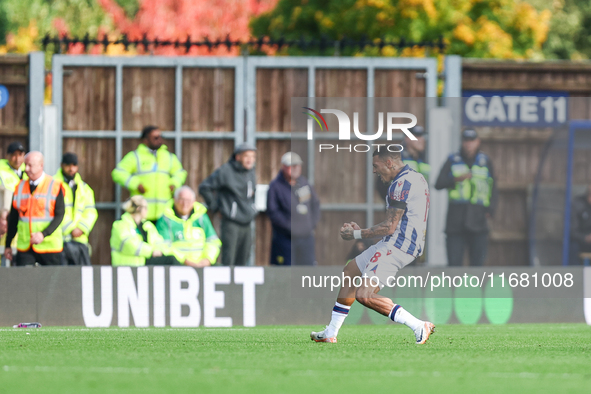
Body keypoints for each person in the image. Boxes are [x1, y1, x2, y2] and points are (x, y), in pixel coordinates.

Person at [310, 149, 434, 344]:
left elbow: (389, 226)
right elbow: (399, 223)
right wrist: (363, 231)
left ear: (389, 163)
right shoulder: (416, 177)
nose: (375, 171)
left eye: (376, 166)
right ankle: (331, 332)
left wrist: (356, 234)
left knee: (364, 295)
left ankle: (418, 325)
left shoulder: (400, 185)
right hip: (398, 242)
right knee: (350, 271)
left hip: (399, 245)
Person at [434, 129, 497, 267]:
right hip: (456, 222)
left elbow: (493, 188)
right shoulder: (452, 160)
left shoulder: (485, 162)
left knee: (478, 266)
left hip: (479, 221)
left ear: (477, 142)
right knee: (454, 266)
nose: (469, 144)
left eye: (472, 141)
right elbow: (438, 183)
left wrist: (490, 211)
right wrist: (456, 179)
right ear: (462, 142)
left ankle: (474, 289)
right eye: (466, 141)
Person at [112, 125, 187, 222]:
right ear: (145, 140)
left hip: (164, 213)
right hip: (141, 213)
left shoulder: (169, 157)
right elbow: (117, 173)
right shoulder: (135, 156)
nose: (160, 140)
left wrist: (174, 183)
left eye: (161, 137)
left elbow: (180, 173)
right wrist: (135, 184)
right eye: (155, 138)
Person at [199, 142, 257, 266]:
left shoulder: (251, 171)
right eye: (247, 156)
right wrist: (216, 208)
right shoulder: (226, 171)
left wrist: (252, 208)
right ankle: (228, 285)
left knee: (244, 257)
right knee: (229, 258)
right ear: (238, 157)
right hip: (231, 222)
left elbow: (251, 193)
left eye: (253, 157)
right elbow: (204, 187)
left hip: (247, 221)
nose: (250, 160)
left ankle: (240, 285)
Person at [4, 151, 65, 266]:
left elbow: (60, 215)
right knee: (24, 282)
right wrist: (8, 244)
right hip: (26, 247)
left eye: (30, 165)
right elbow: (14, 218)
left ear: (41, 165)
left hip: (50, 248)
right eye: (25, 164)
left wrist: (43, 234)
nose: (26, 168)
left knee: (52, 282)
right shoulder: (19, 187)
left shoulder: (55, 186)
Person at [266, 152, 320, 265]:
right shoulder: (275, 187)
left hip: (306, 238)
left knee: (307, 271)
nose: (296, 169)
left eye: (298, 166)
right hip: (285, 239)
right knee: (286, 271)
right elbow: (273, 211)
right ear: (284, 167)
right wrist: (290, 227)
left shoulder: (304, 183)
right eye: (292, 166)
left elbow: (315, 204)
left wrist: (311, 224)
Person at [156, 186, 221, 267]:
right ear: (174, 200)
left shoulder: (201, 217)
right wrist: (184, 260)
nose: (185, 204)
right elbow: (164, 245)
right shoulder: (165, 219)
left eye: (188, 200)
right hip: (177, 265)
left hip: (203, 264)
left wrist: (208, 259)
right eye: (181, 200)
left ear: (194, 201)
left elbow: (213, 241)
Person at [54, 153, 98, 266]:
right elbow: (53, 210)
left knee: (81, 278)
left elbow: (91, 211)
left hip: (80, 242)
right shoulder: (53, 185)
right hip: (59, 241)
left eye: (74, 165)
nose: (71, 169)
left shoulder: (85, 188)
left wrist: (82, 228)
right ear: (61, 165)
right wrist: (71, 228)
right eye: (68, 165)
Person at [110, 196, 179, 266]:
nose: (147, 211)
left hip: (144, 264)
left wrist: (162, 251)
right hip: (128, 267)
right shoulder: (121, 224)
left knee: (171, 259)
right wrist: (151, 251)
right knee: (170, 261)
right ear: (138, 208)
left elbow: (159, 242)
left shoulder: (147, 225)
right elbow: (129, 244)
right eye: (146, 208)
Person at [0, 141, 26, 211]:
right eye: (14, 155)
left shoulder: (28, 170)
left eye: (20, 155)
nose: (17, 159)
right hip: (5, 212)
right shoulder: (1, 170)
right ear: (7, 156)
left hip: (23, 210)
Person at [571, 185, 591, 264]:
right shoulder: (577, 205)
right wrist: (586, 238)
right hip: (580, 243)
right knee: (573, 247)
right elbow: (572, 231)